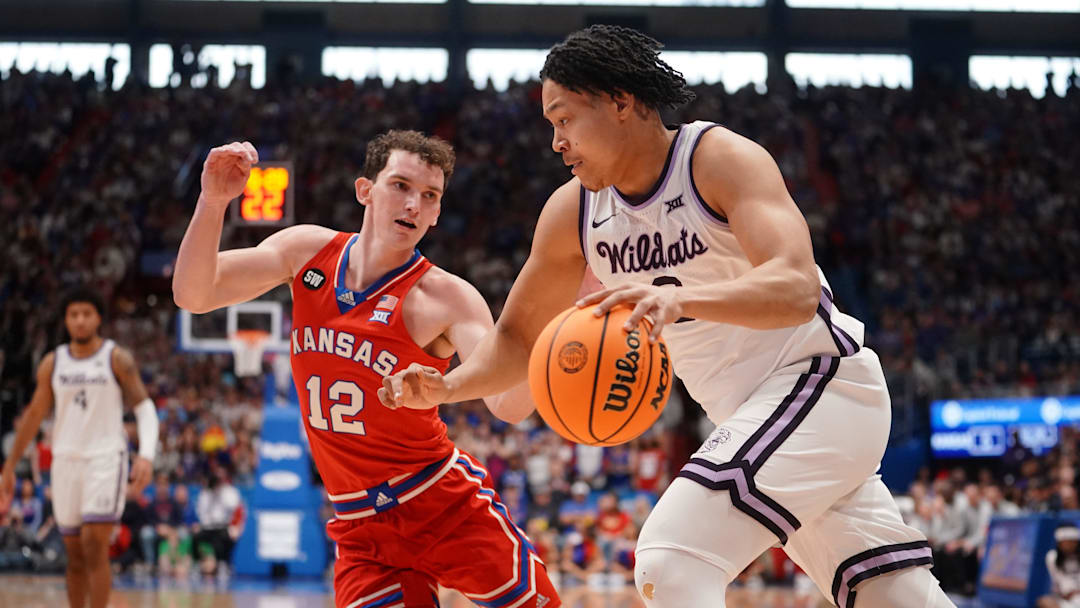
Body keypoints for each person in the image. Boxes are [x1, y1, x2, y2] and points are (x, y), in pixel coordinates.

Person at [380, 25, 953, 608]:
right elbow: (517, 340)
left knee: (671, 559)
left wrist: (684, 299)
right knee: (896, 597)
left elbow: (796, 287)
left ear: (620, 102)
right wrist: (445, 387)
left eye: (564, 119)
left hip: (821, 387)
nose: (556, 142)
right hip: (753, 417)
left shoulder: (717, 159)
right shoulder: (573, 211)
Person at [172, 130, 559, 608]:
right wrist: (212, 203)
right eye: (400, 185)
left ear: (437, 213)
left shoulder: (446, 297)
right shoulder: (306, 251)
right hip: (359, 523)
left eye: (429, 195)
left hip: (441, 502)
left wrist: (558, 340)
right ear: (365, 190)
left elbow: (508, 404)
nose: (414, 204)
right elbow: (194, 293)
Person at [0, 286, 158, 608]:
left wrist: (147, 455)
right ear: (66, 320)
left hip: (105, 458)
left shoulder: (116, 358)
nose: (80, 320)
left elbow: (145, 408)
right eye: (74, 314)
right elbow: (34, 415)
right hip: (65, 461)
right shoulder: (53, 363)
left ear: (98, 318)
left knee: (94, 543)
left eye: (87, 314)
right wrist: (9, 464)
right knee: (73, 553)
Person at [1040, 525, 1080, 608]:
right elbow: (1058, 586)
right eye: (1065, 542)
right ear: (1059, 543)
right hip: (1066, 600)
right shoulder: (1052, 557)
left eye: (1072, 542)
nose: (1068, 545)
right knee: (1044, 601)